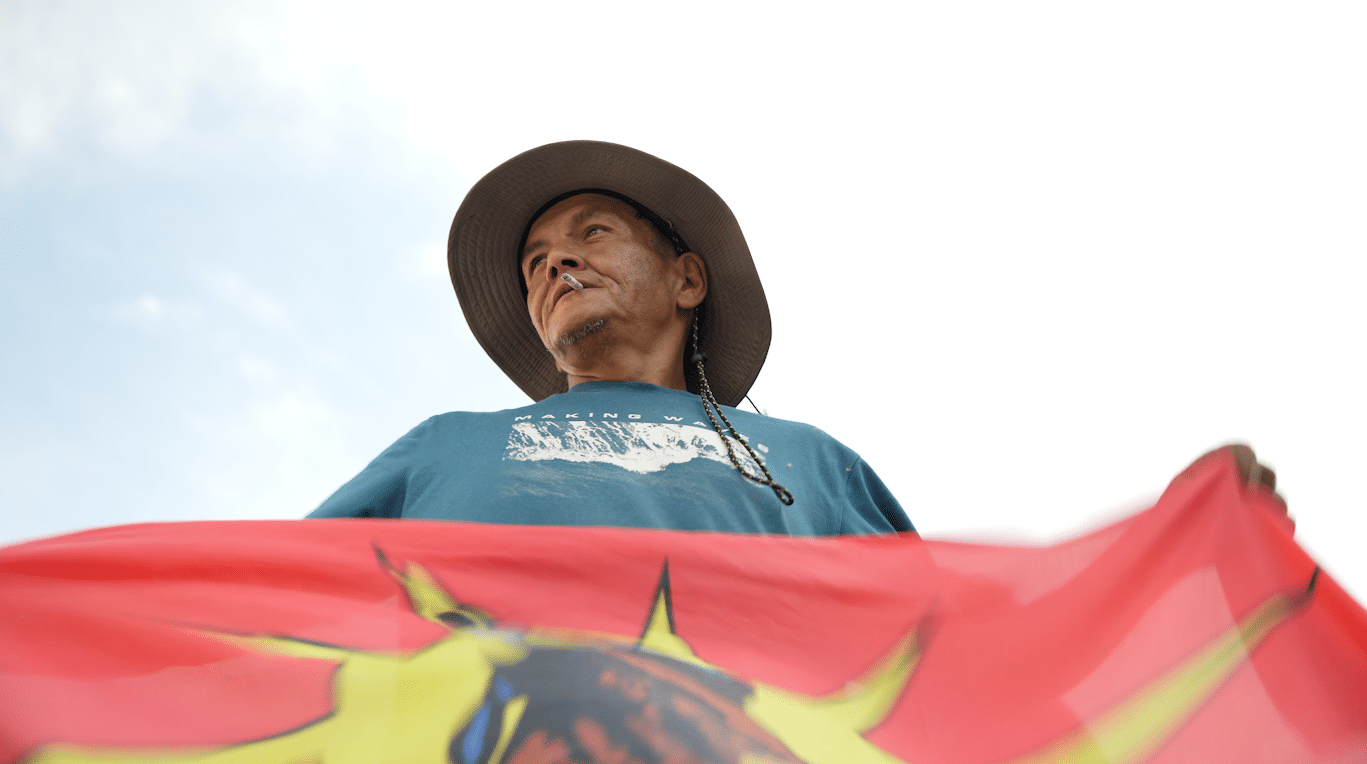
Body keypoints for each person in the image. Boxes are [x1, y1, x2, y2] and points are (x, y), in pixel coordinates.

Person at [309, 141, 913, 535]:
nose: (557, 263)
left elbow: (920, 648)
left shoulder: (814, 465)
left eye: (593, 232)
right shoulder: (441, 450)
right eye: (535, 263)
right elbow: (279, 601)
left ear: (687, 280)